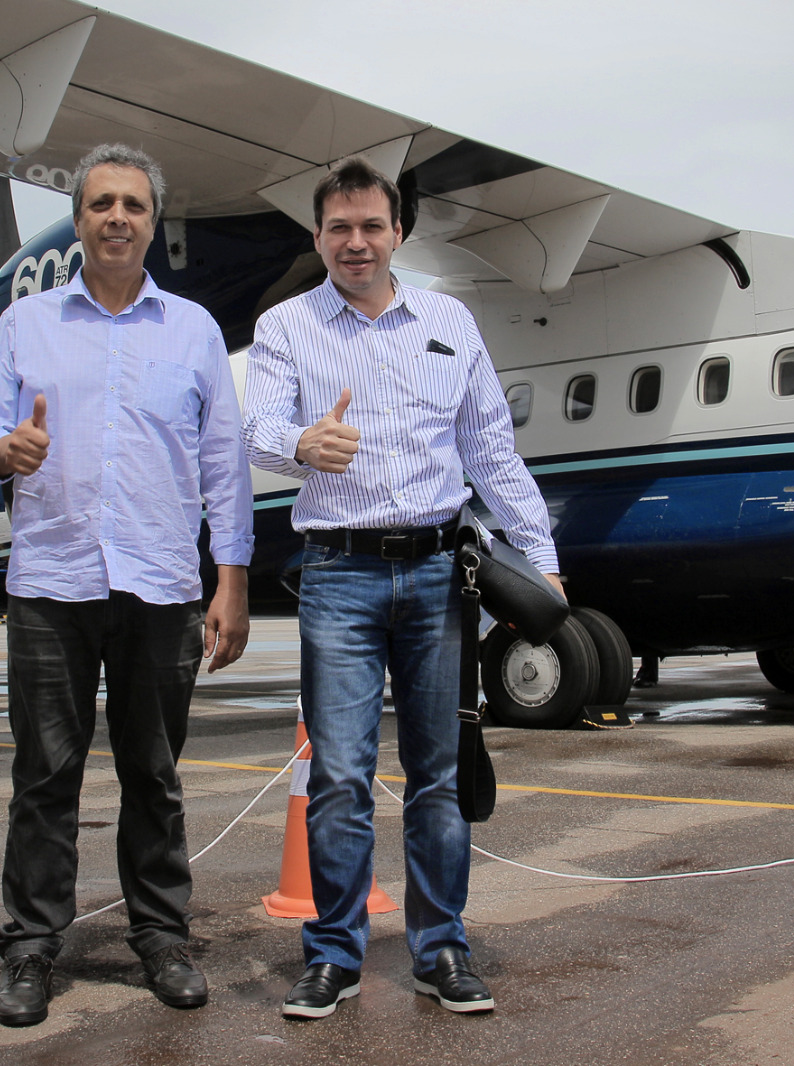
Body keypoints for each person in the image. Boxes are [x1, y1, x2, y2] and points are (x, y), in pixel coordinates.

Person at [242, 158, 563, 1020]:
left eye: (371, 226)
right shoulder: (285, 327)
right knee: (341, 775)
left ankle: (440, 948)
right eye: (339, 228)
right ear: (318, 237)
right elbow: (257, 430)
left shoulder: (451, 322)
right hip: (338, 574)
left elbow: (492, 450)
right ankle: (333, 955)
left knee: (439, 776)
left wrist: (540, 554)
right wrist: (303, 444)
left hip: (435, 572)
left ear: (398, 233)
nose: (356, 243)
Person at [0, 143, 254, 1028]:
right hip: (52, 582)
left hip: (162, 585)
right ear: (80, 220)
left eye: (132, 205)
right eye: (101, 205)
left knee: (153, 775)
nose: (117, 218)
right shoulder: (26, 325)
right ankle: (33, 946)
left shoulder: (194, 331)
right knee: (44, 774)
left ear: (151, 222)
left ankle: (162, 936)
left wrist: (230, 579)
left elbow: (224, 466)